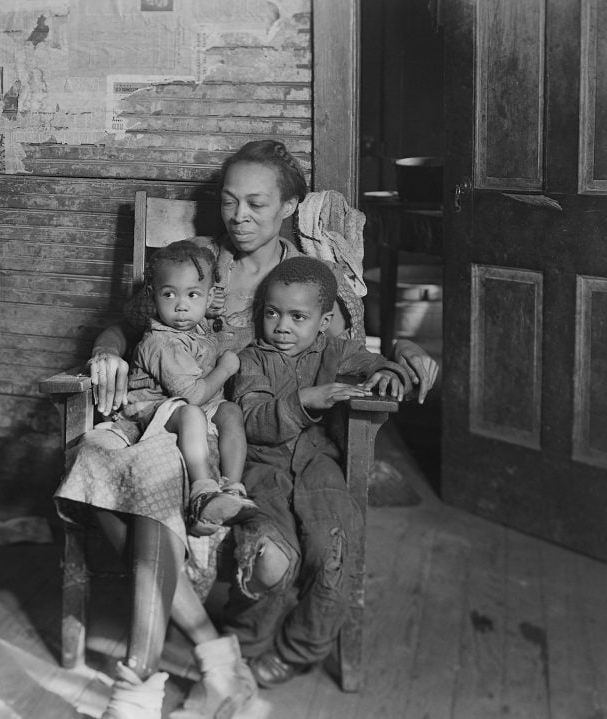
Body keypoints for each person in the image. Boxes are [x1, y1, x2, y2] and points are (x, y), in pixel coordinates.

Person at [54, 139, 439, 719]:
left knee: (169, 494)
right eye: (230, 202)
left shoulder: (305, 277)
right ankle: (213, 657)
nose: (239, 216)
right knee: (102, 468)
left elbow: (350, 350)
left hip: (243, 438)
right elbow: (124, 325)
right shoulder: (196, 263)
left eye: (257, 203)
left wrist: (406, 345)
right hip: (177, 420)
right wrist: (105, 354)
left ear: (288, 207)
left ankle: (162, 672)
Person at [228, 255, 409, 686]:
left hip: (318, 465)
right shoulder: (252, 359)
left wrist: (388, 371)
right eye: (272, 313)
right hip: (262, 468)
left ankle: (300, 648)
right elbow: (251, 418)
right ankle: (245, 643)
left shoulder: (336, 350)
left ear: (325, 320)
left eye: (298, 316)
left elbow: (370, 361)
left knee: (334, 548)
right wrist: (306, 399)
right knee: (272, 553)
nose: (282, 326)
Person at [122, 240, 258, 537]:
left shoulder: (195, 326)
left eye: (193, 295)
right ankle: (203, 490)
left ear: (209, 299)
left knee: (232, 412)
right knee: (191, 414)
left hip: (196, 403)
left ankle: (231, 489)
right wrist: (225, 369)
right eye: (169, 294)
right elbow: (193, 395)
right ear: (152, 296)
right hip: (152, 409)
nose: (181, 305)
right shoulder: (162, 342)